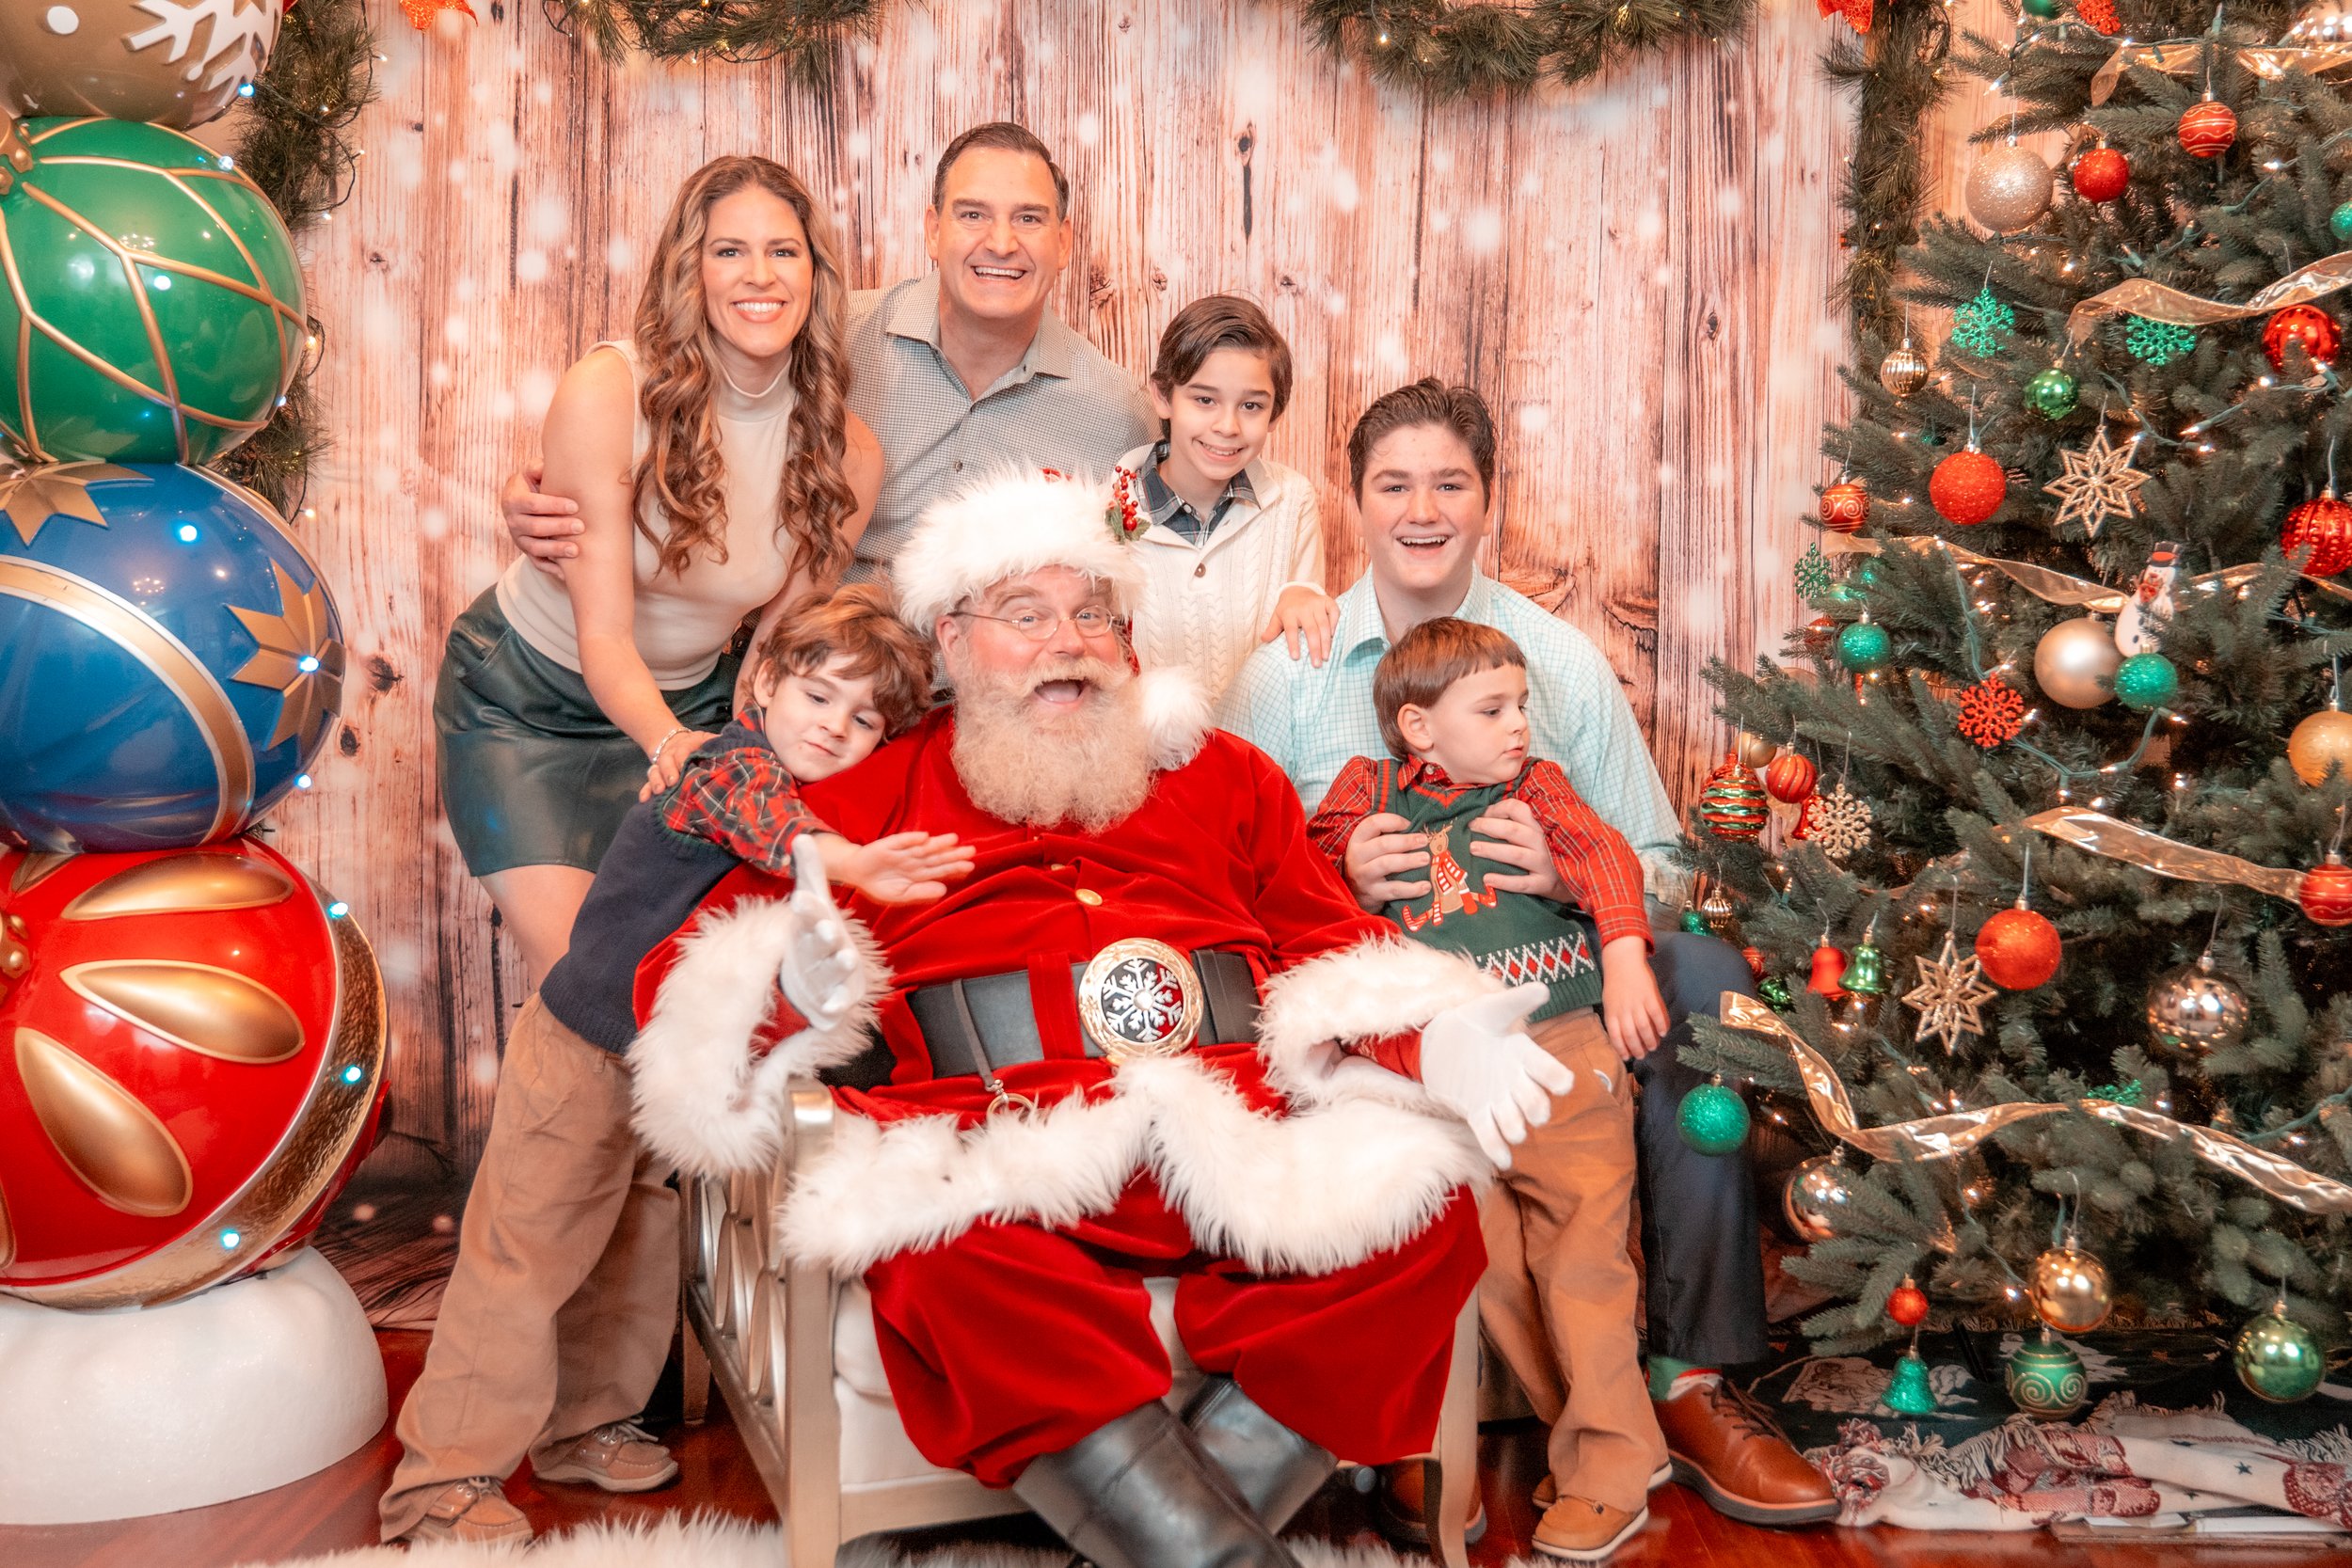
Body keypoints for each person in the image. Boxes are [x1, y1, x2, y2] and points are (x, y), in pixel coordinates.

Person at [622, 467, 1575, 1568]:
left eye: (1091, 614)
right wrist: (793, 988)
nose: (1065, 641)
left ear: (1126, 641)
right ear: (951, 638)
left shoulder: (1225, 778)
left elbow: (1335, 947)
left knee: (1421, 1218)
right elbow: (679, 992)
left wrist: (1436, 1033)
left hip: (1234, 1122)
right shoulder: (864, 799)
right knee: (940, 1254)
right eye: (1025, 615)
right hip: (1000, 1139)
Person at [1220, 380, 1837, 1528]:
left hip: (1546, 988)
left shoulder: (1551, 663)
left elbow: (1655, 854)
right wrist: (1334, 874)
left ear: (1486, 499)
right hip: (1383, 1006)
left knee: (1701, 973)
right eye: (1393, 483)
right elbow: (1226, 867)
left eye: (1449, 482)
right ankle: (1441, 1399)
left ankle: (1689, 1379)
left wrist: (1566, 877)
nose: (1421, 507)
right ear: (1355, 500)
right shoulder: (1290, 671)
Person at [382, 587, 963, 1544]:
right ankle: (440, 1477)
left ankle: (585, 1425)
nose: (834, 727)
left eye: (864, 718)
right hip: (579, 1042)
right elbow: (760, 817)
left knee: (636, 1242)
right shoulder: (723, 764)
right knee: (525, 1251)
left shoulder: (822, 795)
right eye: (818, 696)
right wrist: (849, 860)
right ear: (763, 684)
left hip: (664, 1062)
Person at [435, 154, 882, 984]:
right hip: (529, 704)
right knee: (585, 975)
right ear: (691, 269)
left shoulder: (849, 453)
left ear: (815, 275)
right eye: (729, 251)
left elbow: (772, 654)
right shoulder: (609, 391)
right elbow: (603, 632)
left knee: (689, 980)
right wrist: (674, 745)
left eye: (784, 252)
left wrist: (743, 767)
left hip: (694, 708)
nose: (760, 276)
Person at [1306, 618, 1669, 1562]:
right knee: (1497, 1270)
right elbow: (1305, 878)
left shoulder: (1536, 785)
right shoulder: (1365, 790)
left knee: (1582, 1258)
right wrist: (1344, 868)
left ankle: (1612, 1464)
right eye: (1492, 707)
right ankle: (1594, 1437)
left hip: (1556, 1047)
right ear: (1418, 728)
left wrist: (1625, 958)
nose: (1519, 725)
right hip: (1448, 1069)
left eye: (1521, 703)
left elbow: (1603, 857)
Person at [497, 122, 1152, 584]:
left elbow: (1160, 558)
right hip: (824, 692)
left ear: (1065, 242)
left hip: (998, 705)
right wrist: (552, 491)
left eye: (1030, 219)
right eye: (973, 214)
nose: (1001, 242)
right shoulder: (821, 335)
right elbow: (673, 393)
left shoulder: (1116, 414)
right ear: (932, 229)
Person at [1113, 293, 1335, 699]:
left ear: (1275, 415)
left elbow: (1303, 649)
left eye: (1251, 405)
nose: (1228, 426)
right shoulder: (1105, 512)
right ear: (1164, 397)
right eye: (1204, 400)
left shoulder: (1292, 502)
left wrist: (1305, 597)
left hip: (1258, 756)